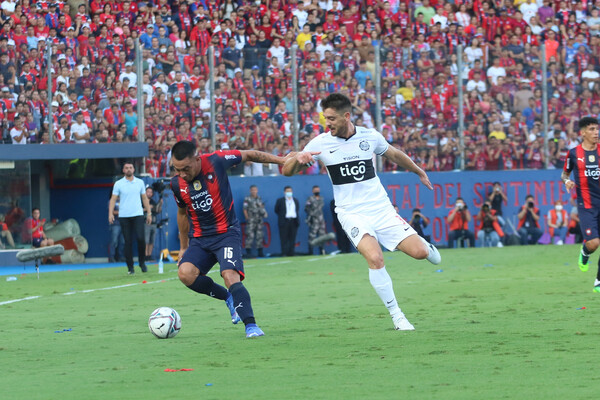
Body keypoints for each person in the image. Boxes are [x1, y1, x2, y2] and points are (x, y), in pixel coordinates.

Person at [282, 93, 441, 331]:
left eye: (332, 118)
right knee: (375, 258)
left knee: (419, 253)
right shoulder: (320, 143)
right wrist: (298, 159)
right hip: (351, 212)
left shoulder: (369, 136)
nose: (328, 123)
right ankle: (397, 316)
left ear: (346, 116)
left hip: (381, 208)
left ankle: (426, 247)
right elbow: (287, 171)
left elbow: (394, 154)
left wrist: (418, 171)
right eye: (325, 118)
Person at [170, 140, 287, 338]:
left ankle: (251, 326)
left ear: (197, 160)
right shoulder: (176, 184)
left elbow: (250, 154)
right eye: (177, 169)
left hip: (226, 234)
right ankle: (228, 298)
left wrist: (282, 160)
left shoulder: (217, 160)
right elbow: (182, 214)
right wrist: (183, 247)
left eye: (186, 168)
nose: (182, 174)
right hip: (200, 239)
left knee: (229, 276)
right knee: (185, 274)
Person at [562, 116, 600, 291]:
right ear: (583, 132)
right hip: (587, 206)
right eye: (591, 129)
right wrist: (567, 181)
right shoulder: (573, 153)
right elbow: (565, 174)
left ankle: (598, 281)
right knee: (593, 243)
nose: (596, 132)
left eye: (596, 129)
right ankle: (585, 252)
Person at [108, 162, 152, 275]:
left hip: (138, 214)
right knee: (127, 241)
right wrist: (110, 214)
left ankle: (142, 263)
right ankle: (130, 267)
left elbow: (144, 198)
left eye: (131, 167)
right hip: (124, 215)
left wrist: (149, 213)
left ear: (134, 169)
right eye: (126, 168)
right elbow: (113, 199)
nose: (129, 169)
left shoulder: (140, 182)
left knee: (141, 239)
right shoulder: (118, 184)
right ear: (123, 170)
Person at [243, 185, 268, 258]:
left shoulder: (259, 198)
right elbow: (244, 209)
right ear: (250, 191)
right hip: (251, 220)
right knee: (250, 236)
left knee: (259, 236)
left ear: (257, 190)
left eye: (255, 190)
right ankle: (248, 252)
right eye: (252, 190)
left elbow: (261, 208)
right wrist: (247, 218)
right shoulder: (247, 199)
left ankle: (260, 252)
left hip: (259, 220)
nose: (254, 191)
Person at [274, 186, 300, 257]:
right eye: (287, 191)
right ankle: (284, 253)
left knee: (292, 238)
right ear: (284, 192)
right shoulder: (280, 200)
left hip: (293, 221)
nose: (289, 192)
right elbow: (276, 210)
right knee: (284, 238)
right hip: (284, 221)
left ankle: (291, 253)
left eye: (290, 191)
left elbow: (297, 209)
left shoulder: (295, 200)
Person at [305, 185, 327, 255]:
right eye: (315, 190)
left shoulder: (321, 198)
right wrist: (311, 215)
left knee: (322, 236)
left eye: (318, 190)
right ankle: (310, 252)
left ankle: (322, 250)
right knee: (312, 237)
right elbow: (306, 209)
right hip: (314, 221)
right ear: (313, 191)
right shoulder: (310, 199)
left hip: (321, 221)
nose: (317, 191)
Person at [144, 185, 163, 261]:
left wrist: (160, 203)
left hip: (154, 223)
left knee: (152, 241)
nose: (149, 193)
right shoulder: (142, 201)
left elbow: (157, 210)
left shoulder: (153, 202)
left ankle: (149, 256)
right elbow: (138, 210)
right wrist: (148, 208)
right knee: (146, 240)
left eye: (150, 192)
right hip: (145, 223)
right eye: (147, 192)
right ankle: (145, 256)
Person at [108, 197, 125, 263]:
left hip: (124, 223)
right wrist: (120, 212)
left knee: (123, 241)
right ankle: (112, 257)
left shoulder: (124, 200)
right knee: (114, 241)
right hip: (115, 223)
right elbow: (111, 211)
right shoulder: (112, 200)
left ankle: (121, 257)